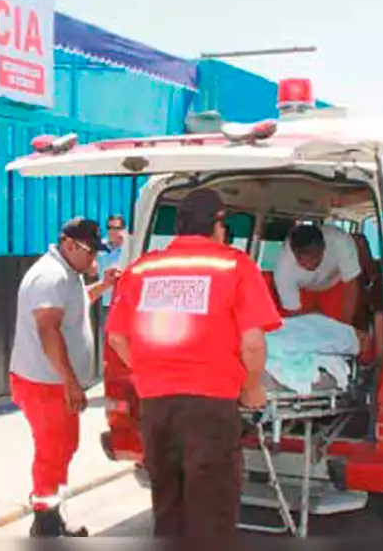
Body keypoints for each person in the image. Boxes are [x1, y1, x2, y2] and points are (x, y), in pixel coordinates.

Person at [105, 188, 282, 540]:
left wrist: (149, 372)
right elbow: (252, 342)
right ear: (218, 224)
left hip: (156, 407)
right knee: (210, 511)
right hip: (211, 407)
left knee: (168, 506)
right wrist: (252, 389)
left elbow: (117, 338)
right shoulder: (234, 266)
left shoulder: (143, 268)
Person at [9, 217, 120, 537]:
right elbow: (48, 329)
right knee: (52, 450)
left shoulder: (67, 274)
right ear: (70, 245)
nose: (94, 259)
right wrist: (70, 382)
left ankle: (52, 516)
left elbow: (77, 303)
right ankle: (44, 525)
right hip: (45, 383)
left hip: (51, 381)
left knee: (61, 447)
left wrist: (104, 285)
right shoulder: (51, 277)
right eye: (90, 252)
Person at [273, 224, 362, 326]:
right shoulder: (283, 270)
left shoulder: (341, 242)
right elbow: (294, 313)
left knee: (336, 327)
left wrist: (345, 328)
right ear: (293, 253)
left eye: (315, 258)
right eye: (302, 261)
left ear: (324, 247)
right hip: (303, 290)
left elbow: (351, 287)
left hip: (334, 284)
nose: (310, 264)